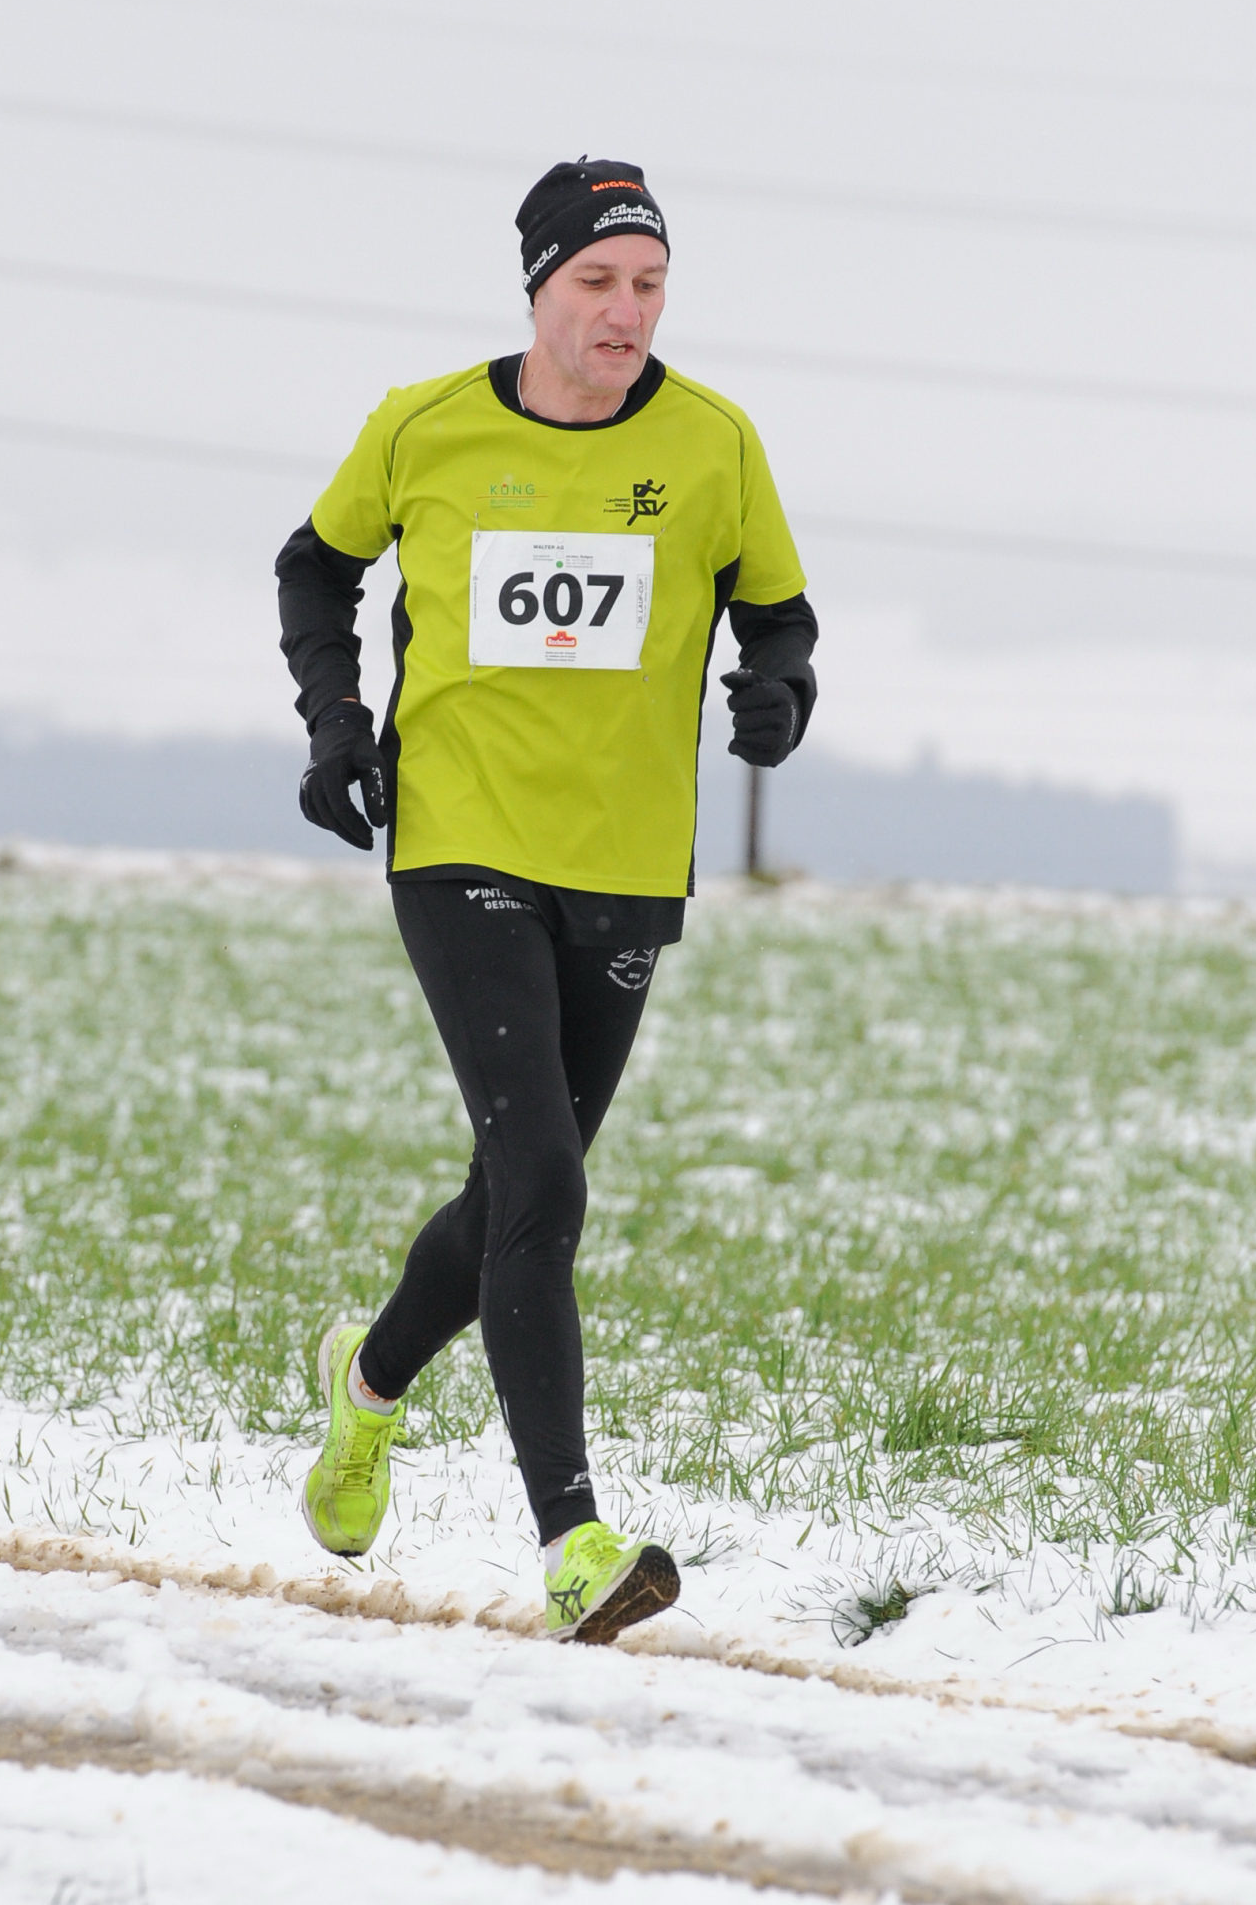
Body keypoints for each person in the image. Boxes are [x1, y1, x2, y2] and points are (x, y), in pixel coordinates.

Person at [276, 158, 817, 1644]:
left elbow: (778, 614)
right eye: (597, 282)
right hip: (461, 837)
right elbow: (314, 571)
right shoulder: (427, 425)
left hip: (626, 861)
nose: (626, 312)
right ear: (537, 290)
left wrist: (778, 692)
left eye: (649, 285)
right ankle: (575, 1543)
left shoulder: (714, 443)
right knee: (547, 1184)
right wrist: (337, 723)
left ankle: (367, 1382)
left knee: (517, 1187)